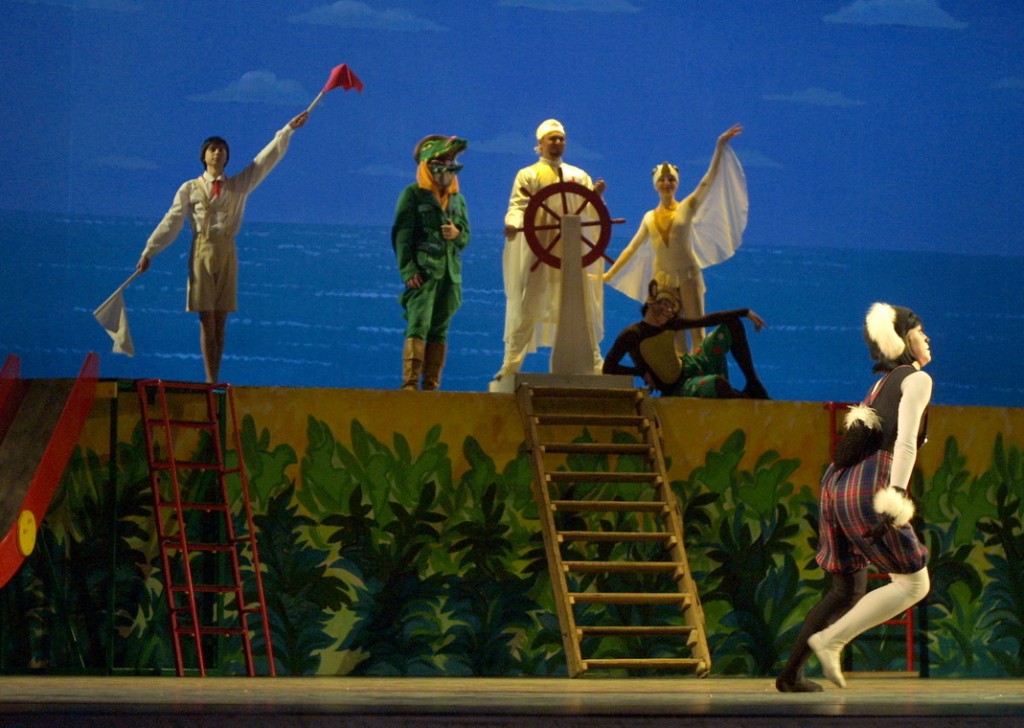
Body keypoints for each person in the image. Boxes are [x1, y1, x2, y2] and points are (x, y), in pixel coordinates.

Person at [775, 302, 932, 692]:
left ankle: (791, 675)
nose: (927, 337)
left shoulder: (881, 384)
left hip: (837, 484)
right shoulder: (916, 379)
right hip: (870, 483)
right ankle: (831, 640)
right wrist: (896, 496)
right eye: (919, 330)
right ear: (901, 338)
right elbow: (904, 442)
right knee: (914, 584)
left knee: (846, 590)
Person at [136, 111, 309, 383]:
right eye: (213, 149)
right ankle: (210, 379)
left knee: (221, 320)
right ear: (204, 156)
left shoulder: (238, 185)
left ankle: (215, 379)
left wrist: (287, 130)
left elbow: (263, 162)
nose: (217, 153)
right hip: (201, 251)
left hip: (227, 251)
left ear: (227, 157)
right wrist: (149, 251)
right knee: (207, 319)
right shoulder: (190, 188)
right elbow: (171, 221)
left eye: (222, 150)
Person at [604, 124, 746, 356]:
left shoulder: (686, 207)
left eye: (671, 179)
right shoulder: (649, 218)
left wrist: (719, 148)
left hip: (688, 276)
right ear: (655, 185)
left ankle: (700, 372)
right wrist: (609, 275)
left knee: (698, 331)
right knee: (672, 334)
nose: (666, 183)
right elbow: (632, 249)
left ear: (677, 183)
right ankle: (680, 373)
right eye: (662, 179)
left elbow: (707, 182)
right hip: (663, 281)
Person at [490, 119, 606, 392]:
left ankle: (595, 362)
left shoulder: (579, 175)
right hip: (539, 252)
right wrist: (513, 223)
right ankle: (511, 365)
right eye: (551, 139)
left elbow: (589, 210)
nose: (557, 143)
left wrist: (594, 195)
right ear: (540, 143)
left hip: (572, 253)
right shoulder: (528, 175)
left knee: (582, 306)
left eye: (560, 139)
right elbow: (518, 206)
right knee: (527, 306)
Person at [601, 278, 769, 398]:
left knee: (732, 323)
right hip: (680, 387)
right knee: (718, 384)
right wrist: (641, 372)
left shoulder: (670, 324)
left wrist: (745, 312)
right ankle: (744, 398)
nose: (666, 311)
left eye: (670, 308)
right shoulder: (632, 334)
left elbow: (706, 320)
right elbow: (609, 367)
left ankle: (753, 383)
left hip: (693, 365)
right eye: (663, 305)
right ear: (651, 303)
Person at [391, 135, 470, 390]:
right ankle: (410, 382)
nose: (447, 166)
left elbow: (466, 235)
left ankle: (432, 383)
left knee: (440, 328)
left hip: (450, 274)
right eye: (442, 160)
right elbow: (402, 236)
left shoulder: (457, 199)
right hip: (425, 272)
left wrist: (457, 234)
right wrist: (408, 269)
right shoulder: (413, 195)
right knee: (418, 324)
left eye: (450, 161)